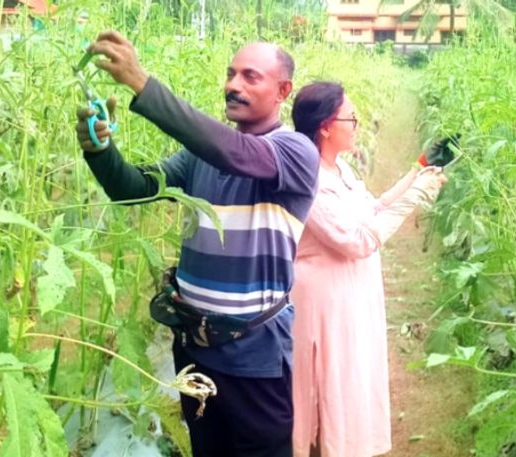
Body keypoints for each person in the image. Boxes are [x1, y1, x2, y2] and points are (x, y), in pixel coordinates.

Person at [76, 31, 319, 457]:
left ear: (283, 91)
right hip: (194, 352)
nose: (233, 85)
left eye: (250, 76)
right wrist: (100, 150)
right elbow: (136, 188)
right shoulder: (199, 157)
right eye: (230, 74)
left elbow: (236, 153)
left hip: (253, 357)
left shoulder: (295, 151)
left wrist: (142, 84)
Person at [289, 82, 447, 457]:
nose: (357, 125)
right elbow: (356, 240)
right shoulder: (310, 180)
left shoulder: (338, 168)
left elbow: (372, 208)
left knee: (348, 384)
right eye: (351, 118)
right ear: (326, 126)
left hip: (349, 301)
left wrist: (419, 169)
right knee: (326, 390)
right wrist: (415, 197)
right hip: (325, 306)